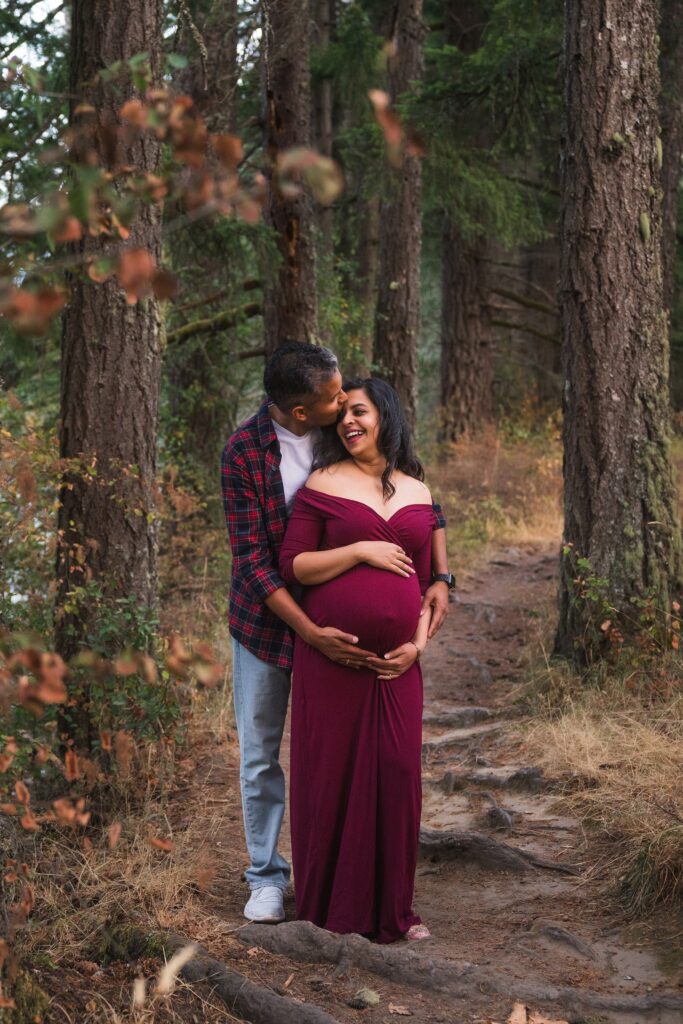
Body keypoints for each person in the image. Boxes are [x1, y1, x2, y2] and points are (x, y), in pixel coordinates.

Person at [221, 346, 450, 926]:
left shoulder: (347, 442)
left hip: (369, 647)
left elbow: (413, 498)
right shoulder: (249, 452)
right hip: (270, 624)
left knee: (381, 765)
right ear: (303, 412)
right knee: (262, 752)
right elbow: (257, 563)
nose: (344, 405)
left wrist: (441, 577)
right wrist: (312, 633)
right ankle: (268, 878)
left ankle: (377, 888)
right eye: (335, 400)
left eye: (352, 400)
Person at [279, 378, 455, 942]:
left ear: (387, 414)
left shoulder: (418, 491)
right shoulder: (323, 482)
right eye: (343, 415)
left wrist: (417, 647)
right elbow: (294, 566)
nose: (349, 422)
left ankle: (394, 910)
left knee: (398, 776)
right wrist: (358, 549)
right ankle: (330, 908)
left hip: (400, 664)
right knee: (330, 776)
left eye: (360, 411)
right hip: (331, 661)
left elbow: (431, 585)